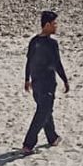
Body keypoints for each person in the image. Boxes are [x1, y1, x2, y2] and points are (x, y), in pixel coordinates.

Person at [22, 9, 70, 154]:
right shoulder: (51, 44)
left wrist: (27, 79)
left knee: (45, 111)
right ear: (47, 24)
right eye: (54, 23)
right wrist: (65, 81)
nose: (56, 26)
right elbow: (57, 64)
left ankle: (52, 138)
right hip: (47, 84)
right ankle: (28, 144)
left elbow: (29, 62)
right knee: (43, 112)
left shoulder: (34, 41)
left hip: (36, 84)